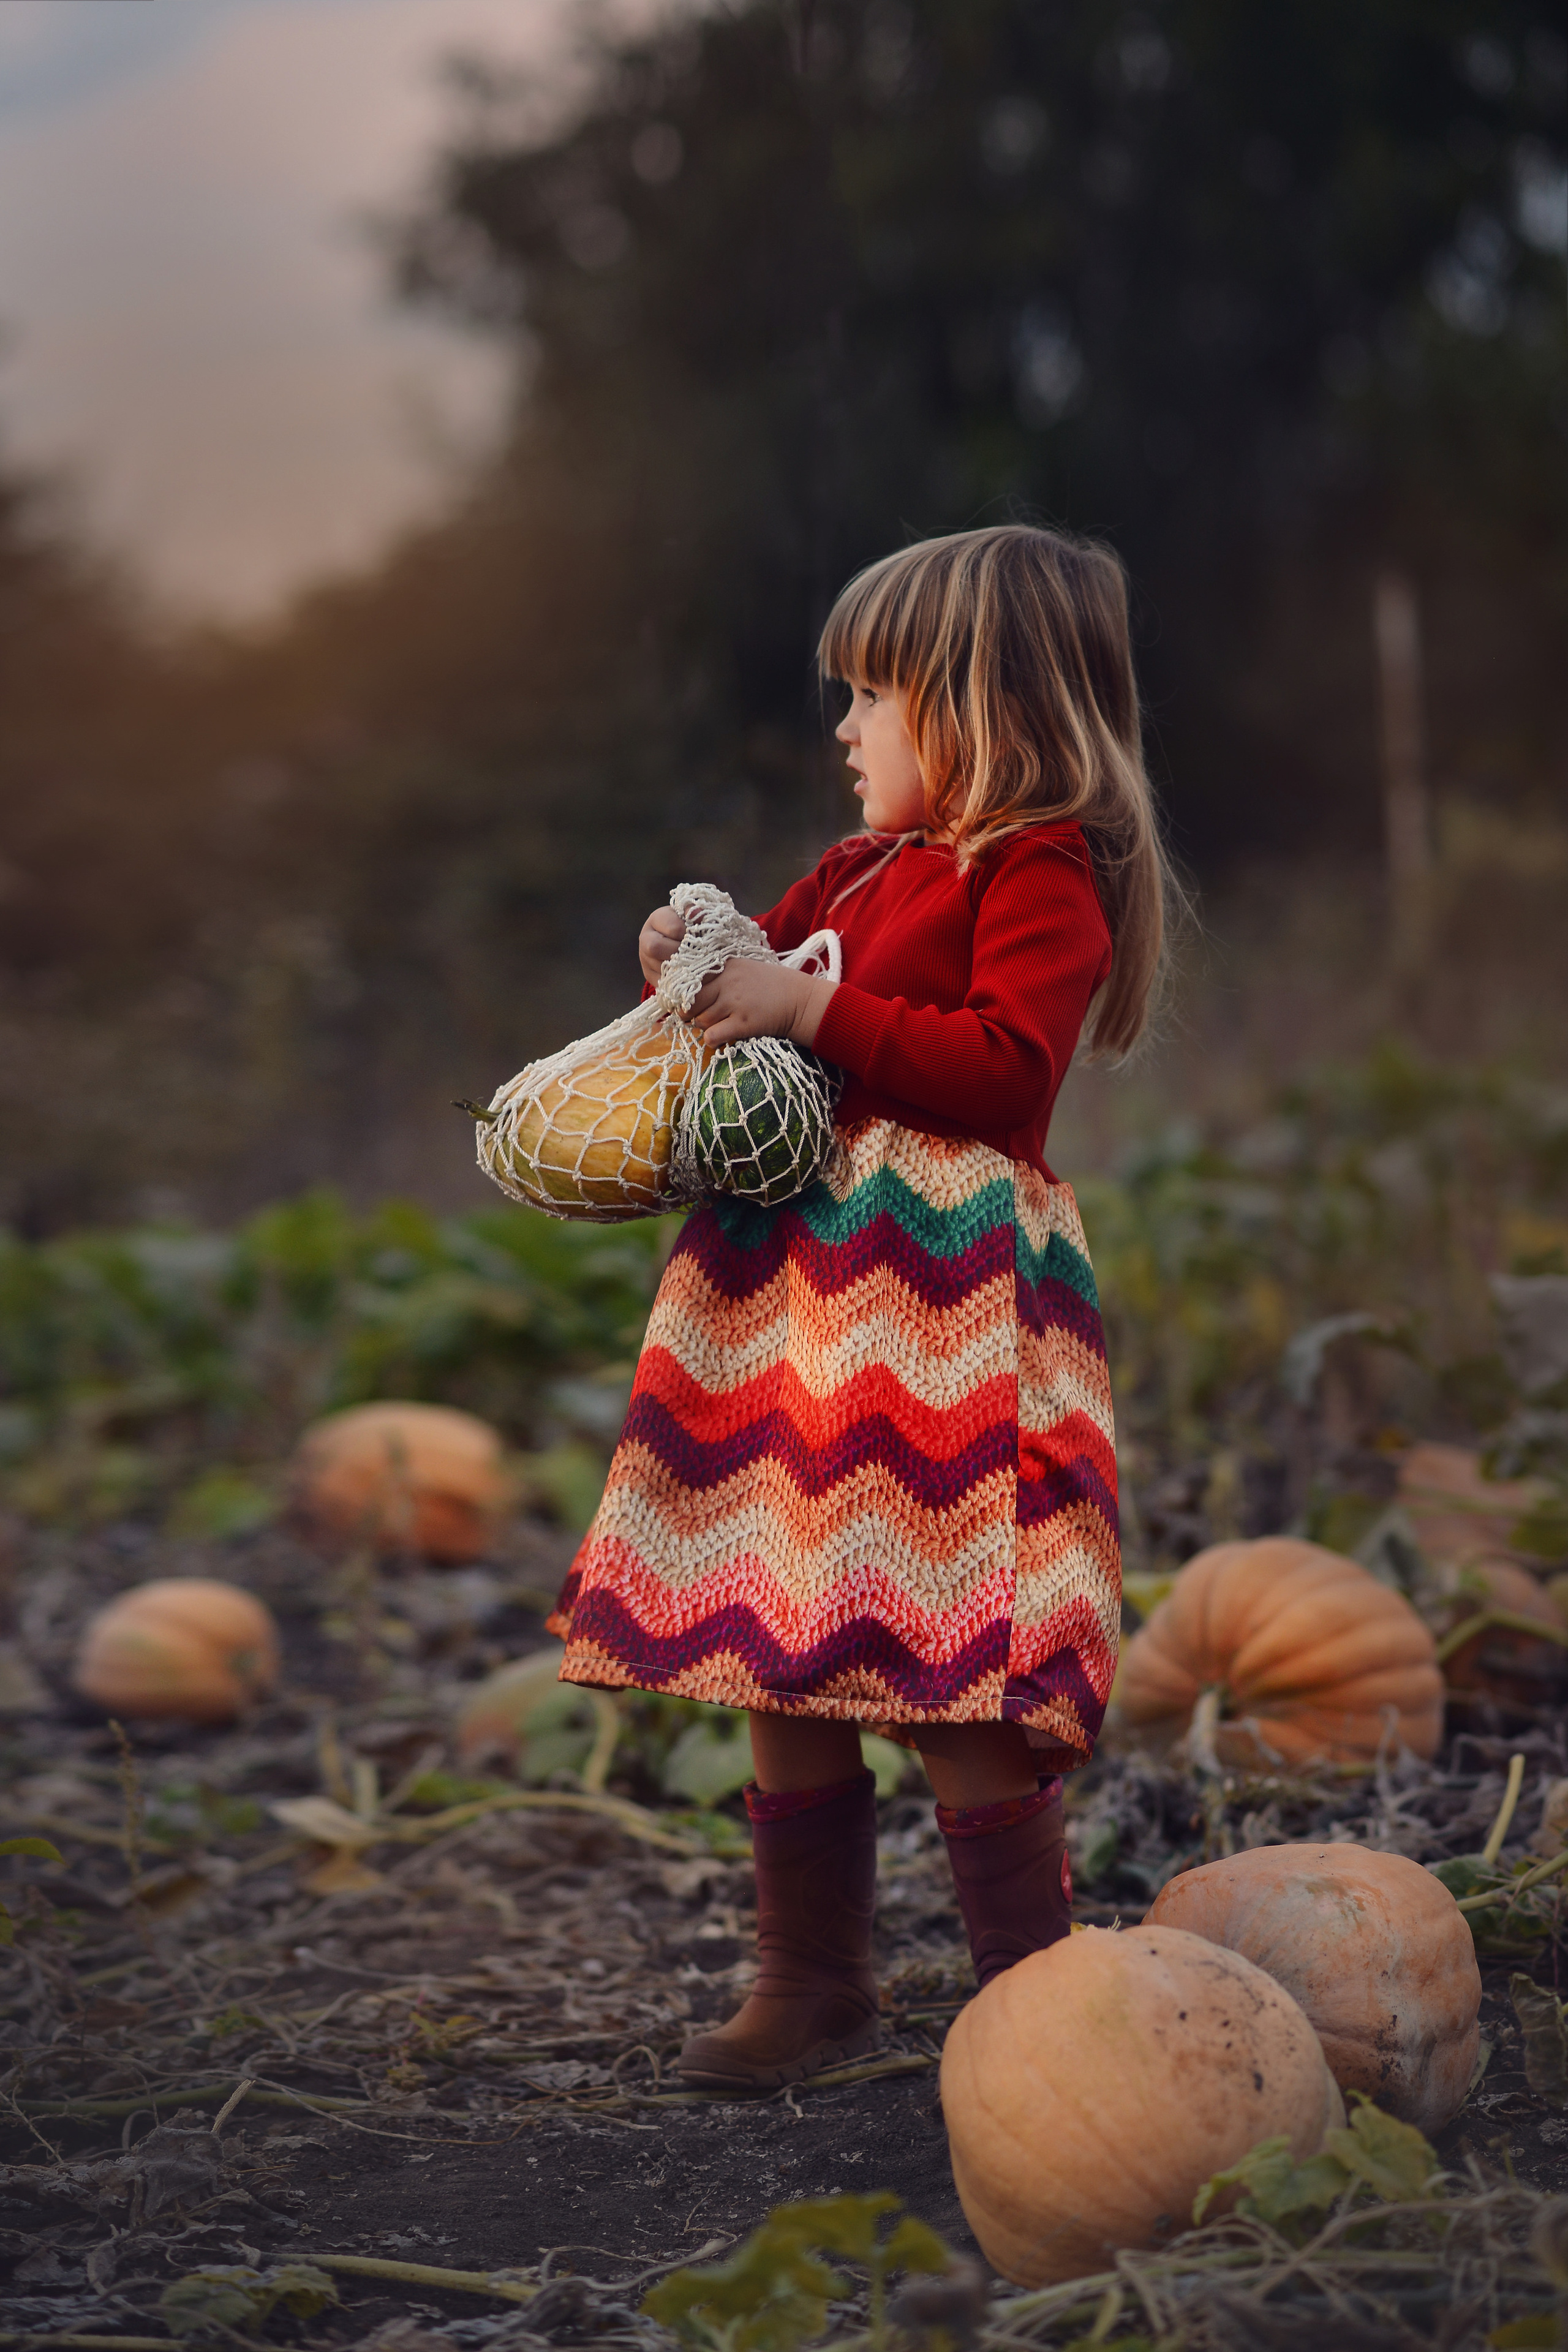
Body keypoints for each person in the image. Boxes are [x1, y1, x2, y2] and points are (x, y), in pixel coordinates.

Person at [546, 522, 1174, 2092]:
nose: (842, 731)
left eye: (870, 699)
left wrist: (810, 1000)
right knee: (774, 1635)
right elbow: (756, 992)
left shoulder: (1037, 874)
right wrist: (693, 968)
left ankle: (1034, 2006)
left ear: (975, 706)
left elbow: (1001, 1071)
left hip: (939, 1317)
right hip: (787, 1302)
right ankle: (812, 1980)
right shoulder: (856, 871)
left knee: (942, 1649)